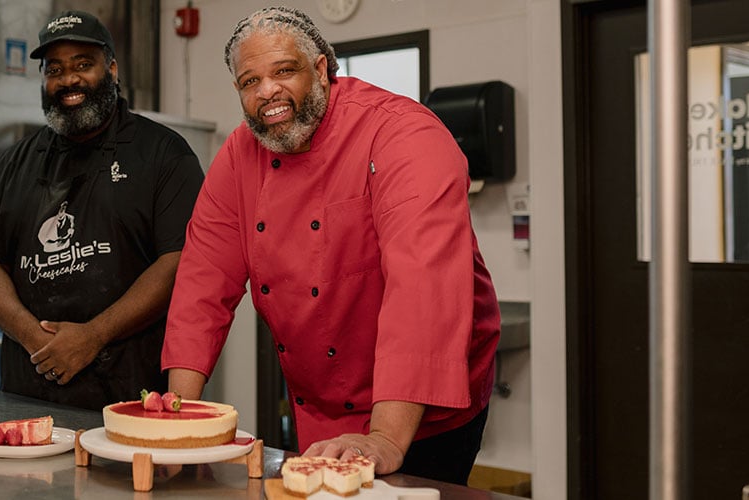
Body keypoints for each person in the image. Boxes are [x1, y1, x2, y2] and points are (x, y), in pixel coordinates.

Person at [160, 7, 500, 485]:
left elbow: (422, 289)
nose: (267, 92)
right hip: (320, 406)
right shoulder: (240, 153)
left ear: (321, 69)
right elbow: (202, 279)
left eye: (284, 71)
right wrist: (180, 413)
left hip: (424, 412)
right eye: (249, 81)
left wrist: (385, 437)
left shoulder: (403, 134)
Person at [0, 10, 205, 411]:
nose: (68, 80)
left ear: (111, 68)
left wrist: (93, 335)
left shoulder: (163, 153)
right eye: (54, 69)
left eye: (83, 65)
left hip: (130, 394)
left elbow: (179, 261)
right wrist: (35, 339)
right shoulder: (10, 165)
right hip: (29, 389)